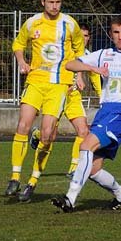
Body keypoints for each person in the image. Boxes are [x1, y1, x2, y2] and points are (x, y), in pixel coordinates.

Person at [52, 15, 121, 213]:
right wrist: (92, 68)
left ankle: (70, 198)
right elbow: (70, 65)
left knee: (85, 146)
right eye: (116, 33)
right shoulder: (104, 54)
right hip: (105, 112)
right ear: (111, 34)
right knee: (92, 169)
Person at [6, 0, 85, 201]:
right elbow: (18, 43)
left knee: (48, 133)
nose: (54, 6)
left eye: (58, 2)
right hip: (36, 81)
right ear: (43, 2)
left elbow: (80, 50)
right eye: (51, 2)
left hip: (60, 85)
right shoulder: (32, 23)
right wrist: (22, 61)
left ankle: (32, 181)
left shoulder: (69, 24)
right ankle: (14, 177)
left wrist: (79, 75)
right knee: (23, 124)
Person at [28, 23, 102, 183]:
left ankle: (74, 168)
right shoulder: (62, 50)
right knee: (50, 135)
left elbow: (95, 76)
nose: (84, 38)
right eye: (81, 35)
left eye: (87, 36)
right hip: (58, 95)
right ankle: (38, 134)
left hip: (73, 97)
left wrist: (102, 96)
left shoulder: (88, 55)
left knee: (83, 131)